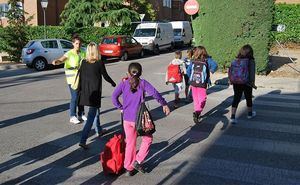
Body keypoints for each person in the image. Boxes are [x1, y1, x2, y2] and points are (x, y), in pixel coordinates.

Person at [112, 62, 170, 176]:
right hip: (140, 119)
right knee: (148, 138)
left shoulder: (123, 83)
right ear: (141, 73)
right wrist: (164, 104)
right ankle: (137, 161)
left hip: (127, 119)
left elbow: (114, 97)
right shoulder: (143, 83)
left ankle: (128, 167)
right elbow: (155, 93)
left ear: (128, 73)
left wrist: (121, 107)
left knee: (130, 143)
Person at [77, 42, 116, 149]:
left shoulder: (83, 63)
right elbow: (106, 76)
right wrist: (113, 83)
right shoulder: (99, 63)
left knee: (95, 113)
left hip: (85, 93)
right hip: (94, 95)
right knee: (90, 117)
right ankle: (83, 140)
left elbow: (81, 79)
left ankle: (98, 130)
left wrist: (79, 93)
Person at [52, 35, 86, 124]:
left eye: (79, 43)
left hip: (82, 78)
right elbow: (62, 59)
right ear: (73, 44)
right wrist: (57, 61)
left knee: (81, 97)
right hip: (72, 79)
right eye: (76, 43)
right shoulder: (69, 53)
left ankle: (81, 114)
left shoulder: (83, 52)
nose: (78, 45)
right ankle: (72, 116)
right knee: (74, 97)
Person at [186, 46, 218, 124]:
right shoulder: (208, 60)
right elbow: (215, 66)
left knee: (197, 100)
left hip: (193, 83)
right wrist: (210, 72)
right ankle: (197, 113)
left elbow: (188, 71)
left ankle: (197, 113)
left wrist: (192, 77)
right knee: (202, 99)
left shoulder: (193, 60)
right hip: (202, 83)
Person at [229, 44, 256, 124]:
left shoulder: (236, 59)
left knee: (236, 97)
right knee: (248, 97)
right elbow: (252, 73)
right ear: (251, 52)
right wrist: (252, 83)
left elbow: (231, 71)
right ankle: (250, 114)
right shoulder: (251, 61)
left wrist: (231, 80)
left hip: (236, 82)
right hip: (247, 82)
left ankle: (233, 117)